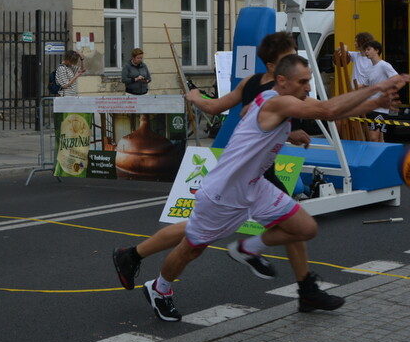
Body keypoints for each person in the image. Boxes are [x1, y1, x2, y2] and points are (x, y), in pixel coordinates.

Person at [130, 54, 409, 322]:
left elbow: (333, 111)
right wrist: (378, 86)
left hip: (254, 184)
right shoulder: (277, 103)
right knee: (192, 248)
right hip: (224, 191)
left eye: (308, 80)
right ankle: (160, 288)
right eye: (302, 82)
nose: (308, 87)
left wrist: (375, 101)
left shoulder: (273, 99)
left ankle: (247, 248)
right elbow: (328, 109)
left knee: (304, 228)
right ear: (282, 81)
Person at [112, 32, 317, 301]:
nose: (295, 63)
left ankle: (133, 254)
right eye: (288, 58)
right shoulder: (264, 88)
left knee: (287, 224)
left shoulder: (261, 85)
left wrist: (289, 132)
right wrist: (197, 98)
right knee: (203, 237)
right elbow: (224, 108)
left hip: (251, 171)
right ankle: (295, 281)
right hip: (245, 173)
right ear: (273, 67)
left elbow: (259, 117)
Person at [348, 40, 398, 142]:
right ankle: (381, 156)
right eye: (365, 50)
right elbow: (366, 85)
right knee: (377, 137)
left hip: (380, 108)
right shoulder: (369, 69)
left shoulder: (384, 65)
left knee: (373, 137)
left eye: (369, 49)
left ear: (376, 50)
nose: (366, 52)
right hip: (369, 105)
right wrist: (355, 88)